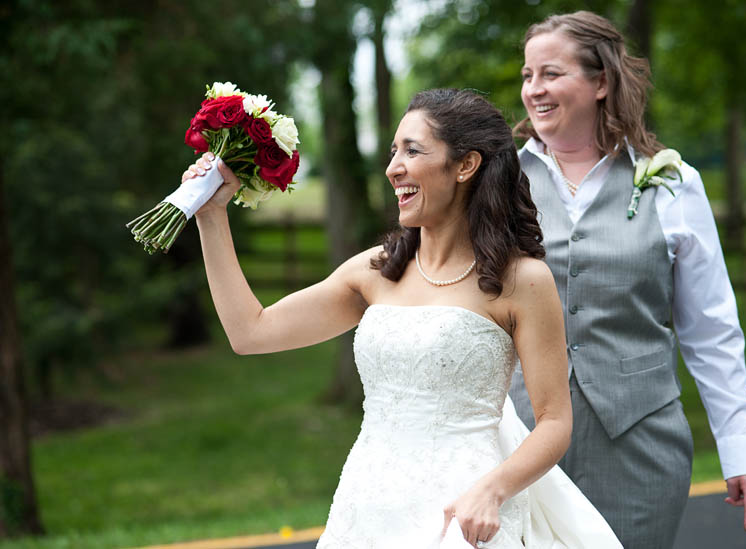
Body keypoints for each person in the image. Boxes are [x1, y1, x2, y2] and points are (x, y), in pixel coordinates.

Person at [184, 88, 621, 548]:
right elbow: (250, 332)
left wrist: (492, 489)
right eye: (394, 151)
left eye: (412, 150)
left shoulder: (522, 280)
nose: (393, 167)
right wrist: (212, 217)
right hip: (367, 506)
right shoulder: (374, 270)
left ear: (465, 165)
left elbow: (554, 421)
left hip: (465, 512)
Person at [507, 10, 746, 549]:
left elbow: (711, 327)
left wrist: (739, 447)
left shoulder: (673, 182)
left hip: (639, 447)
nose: (535, 90)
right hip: (518, 444)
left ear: (601, 81)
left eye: (551, 73)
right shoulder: (498, 180)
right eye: (528, 76)